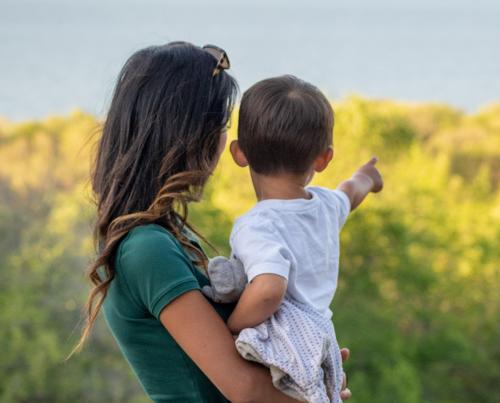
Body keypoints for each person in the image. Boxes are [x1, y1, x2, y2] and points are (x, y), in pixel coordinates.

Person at [70, 42, 352, 402]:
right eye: (222, 125)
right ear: (189, 135)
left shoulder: (169, 234)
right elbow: (246, 390)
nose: (224, 140)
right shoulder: (146, 249)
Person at [200, 75, 383, 402]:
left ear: (239, 153)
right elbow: (350, 193)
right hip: (322, 335)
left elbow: (269, 289)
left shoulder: (256, 225)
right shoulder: (326, 205)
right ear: (323, 159)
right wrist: (366, 177)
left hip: (286, 340)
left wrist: (232, 325)